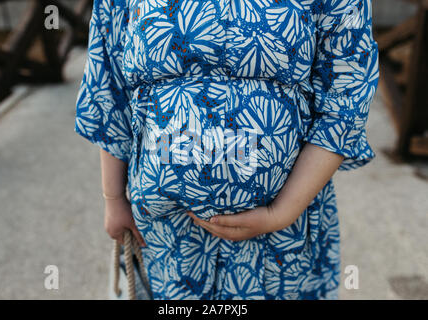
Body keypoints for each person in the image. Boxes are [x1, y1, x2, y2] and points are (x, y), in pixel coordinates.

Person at [75, 0, 379, 299]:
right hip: (167, 232)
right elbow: (108, 86)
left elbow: (346, 99)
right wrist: (113, 198)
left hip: (283, 233)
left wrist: (280, 213)